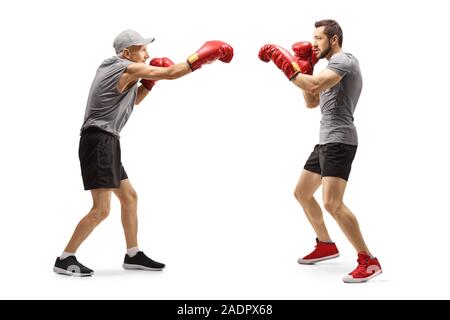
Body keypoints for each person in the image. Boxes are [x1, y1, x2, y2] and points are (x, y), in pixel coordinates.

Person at [53, 30, 233, 276]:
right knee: (101, 210)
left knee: (129, 198)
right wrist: (200, 57)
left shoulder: (117, 70)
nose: (148, 54)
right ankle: (65, 258)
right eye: (142, 49)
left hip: (106, 140)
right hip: (99, 141)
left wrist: (149, 84)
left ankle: (133, 254)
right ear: (127, 52)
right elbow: (172, 73)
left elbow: (133, 100)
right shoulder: (126, 67)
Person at [258, 20, 382, 283]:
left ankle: (368, 261)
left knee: (332, 203)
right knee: (302, 193)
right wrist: (306, 68)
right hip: (325, 141)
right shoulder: (326, 68)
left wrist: (287, 67)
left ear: (334, 39)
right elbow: (311, 100)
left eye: (318, 38)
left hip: (340, 141)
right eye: (312, 38)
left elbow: (313, 86)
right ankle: (326, 245)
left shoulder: (344, 62)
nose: (313, 44)